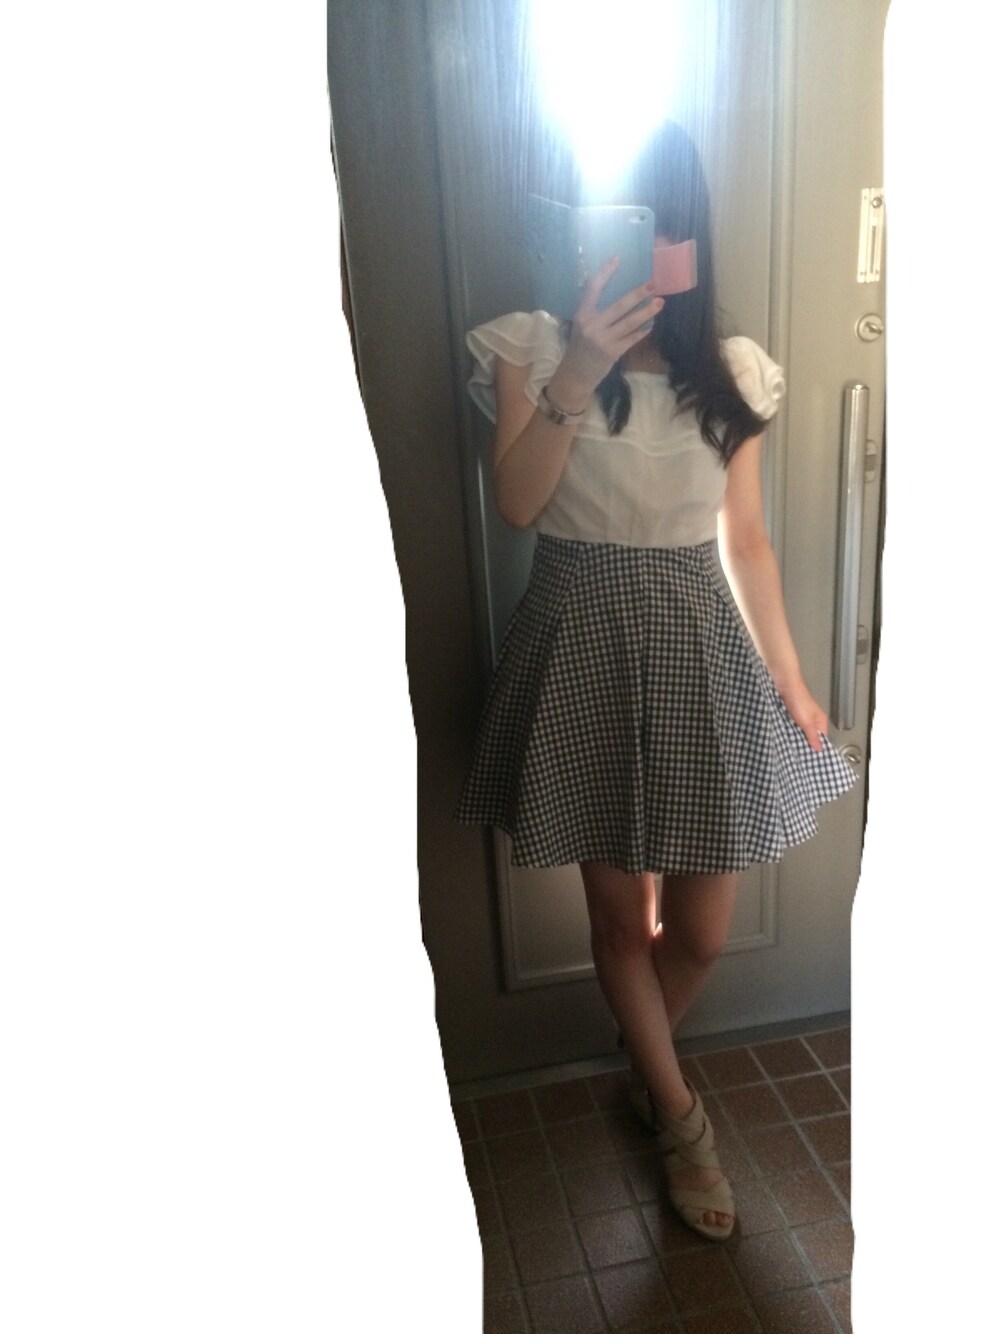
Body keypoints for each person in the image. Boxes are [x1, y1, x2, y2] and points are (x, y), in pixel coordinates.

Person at [455, 123, 856, 1241]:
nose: (645, 243)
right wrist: (577, 375)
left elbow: (748, 540)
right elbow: (519, 506)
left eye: (664, 221)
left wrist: (791, 678)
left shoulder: (732, 370)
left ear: (688, 236)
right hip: (576, 637)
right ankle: (680, 1121)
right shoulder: (528, 346)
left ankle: (646, 1066)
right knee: (616, 920)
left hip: (697, 643)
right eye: (622, 219)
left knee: (701, 930)